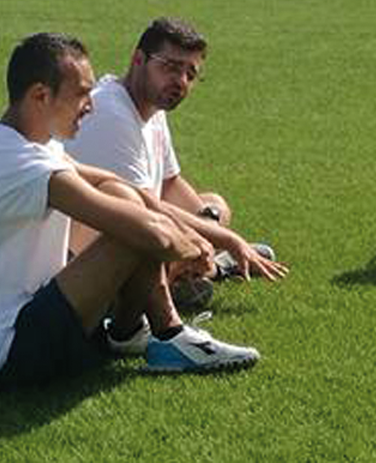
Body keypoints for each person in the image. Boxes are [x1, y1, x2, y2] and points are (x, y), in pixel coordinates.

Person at [0, 33, 260, 387]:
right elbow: (151, 234)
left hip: (6, 326)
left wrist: (187, 233)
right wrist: (196, 249)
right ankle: (170, 335)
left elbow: (112, 182)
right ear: (40, 95)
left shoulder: (15, 139)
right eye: (82, 94)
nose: (90, 106)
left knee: (123, 198)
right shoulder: (21, 164)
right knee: (134, 232)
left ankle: (129, 333)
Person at [65, 17, 285, 305]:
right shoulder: (111, 114)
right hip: (87, 251)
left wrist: (209, 230)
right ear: (138, 60)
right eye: (171, 67)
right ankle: (194, 277)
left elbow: (170, 183)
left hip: (138, 221)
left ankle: (198, 269)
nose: (181, 81)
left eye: (190, 74)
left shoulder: (152, 108)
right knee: (160, 236)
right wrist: (223, 239)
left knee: (215, 205)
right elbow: (144, 209)